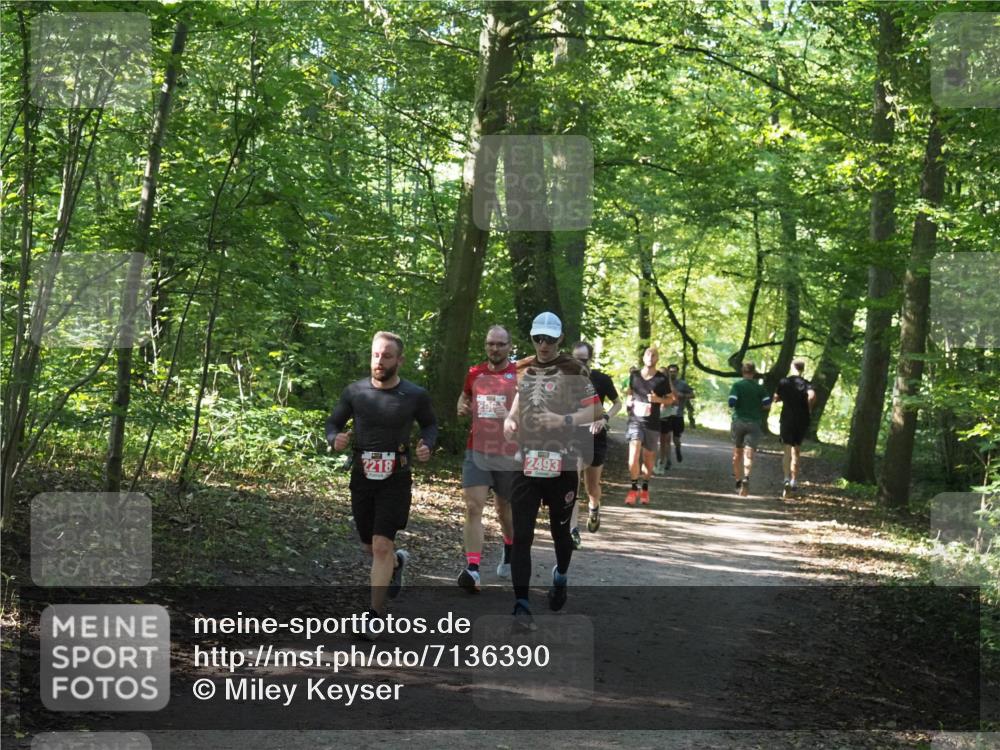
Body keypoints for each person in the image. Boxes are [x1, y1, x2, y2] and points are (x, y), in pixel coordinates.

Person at [326, 331, 437, 639]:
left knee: (381, 545)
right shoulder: (355, 392)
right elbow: (333, 423)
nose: (379, 361)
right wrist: (335, 439)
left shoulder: (414, 395)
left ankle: (374, 616)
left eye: (387, 356)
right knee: (369, 546)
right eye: (376, 355)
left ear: (399, 360)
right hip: (362, 476)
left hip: (396, 477)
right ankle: (397, 564)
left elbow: (430, 423)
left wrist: (427, 444)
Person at [502, 312, 600, 631]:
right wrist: (510, 420)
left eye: (550, 339)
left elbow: (596, 410)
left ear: (559, 339)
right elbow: (518, 400)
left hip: (564, 461)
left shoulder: (574, 369)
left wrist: (562, 421)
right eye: (538, 338)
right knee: (522, 534)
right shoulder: (523, 367)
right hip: (526, 461)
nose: (543, 345)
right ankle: (521, 605)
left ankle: (560, 575)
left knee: (560, 533)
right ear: (532, 338)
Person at [455, 325, 517, 592]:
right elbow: (465, 397)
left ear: (510, 346)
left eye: (500, 344)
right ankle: (473, 568)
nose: (495, 348)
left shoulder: (519, 375)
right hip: (477, 449)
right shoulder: (474, 373)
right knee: (473, 507)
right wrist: (461, 405)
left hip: (508, 453)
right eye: (491, 343)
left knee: (505, 512)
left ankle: (510, 548)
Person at [570, 341, 623, 540]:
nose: (580, 364)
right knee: (571, 483)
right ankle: (572, 530)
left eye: (584, 360)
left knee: (591, 487)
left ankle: (594, 507)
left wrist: (605, 418)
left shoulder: (601, 379)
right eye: (576, 360)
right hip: (573, 437)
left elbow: (618, 404)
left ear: (591, 359)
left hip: (595, 437)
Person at [624, 347, 673, 506]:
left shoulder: (661, 379)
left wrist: (657, 399)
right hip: (635, 421)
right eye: (648, 354)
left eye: (654, 355)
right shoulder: (635, 375)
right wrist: (629, 400)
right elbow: (629, 392)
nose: (650, 357)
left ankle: (644, 487)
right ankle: (633, 488)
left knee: (648, 458)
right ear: (643, 357)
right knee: (633, 457)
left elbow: (670, 399)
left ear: (657, 359)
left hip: (652, 423)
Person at [773, 360, 816, 498]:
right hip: (802, 420)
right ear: (802, 369)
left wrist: (782, 398)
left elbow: (775, 398)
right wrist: (808, 409)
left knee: (787, 450)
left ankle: (786, 478)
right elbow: (812, 396)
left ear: (792, 367)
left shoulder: (784, 382)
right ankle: (794, 481)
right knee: (796, 450)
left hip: (787, 419)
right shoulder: (807, 383)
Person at [728, 361, 771, 497]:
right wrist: (757, 406)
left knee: (737, 453)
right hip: (754, 422)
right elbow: (767, 405)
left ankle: (738, 481)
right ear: (754, 372)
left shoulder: (737, 385)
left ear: (742, 372)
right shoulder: (760, 388)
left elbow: (731, 402)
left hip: (739, 421)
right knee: (749, 452)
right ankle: (746, 477)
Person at [655, 363, 694, 474]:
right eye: (670, 371)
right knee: (666, 438)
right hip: (666, 415)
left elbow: (692, 395)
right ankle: (668, 461)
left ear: (677, 372)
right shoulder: (661, 383)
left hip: (678, 414)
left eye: (674, 371)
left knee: (675, 439)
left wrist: (683, 395)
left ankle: (677, 448)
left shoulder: (682, 384)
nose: (672, 373)